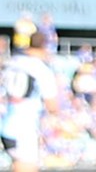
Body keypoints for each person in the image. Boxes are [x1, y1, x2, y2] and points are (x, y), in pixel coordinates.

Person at [1, 32, 59, 172]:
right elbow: (52, 105)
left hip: (7, 122)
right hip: (24, 128)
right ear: (44, 47)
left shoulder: (12, 62)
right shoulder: (41, 69)